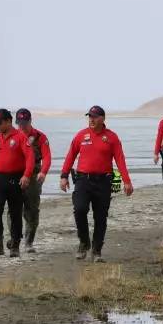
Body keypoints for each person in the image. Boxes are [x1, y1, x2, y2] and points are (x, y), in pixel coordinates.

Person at [60, 106, 133, 262]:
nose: (91, 120)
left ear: (102, 119)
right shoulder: (81, 135)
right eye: (89, 117)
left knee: (101, 217)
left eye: (94, 117)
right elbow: (71, 155)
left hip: (104, 181)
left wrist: (126, 181)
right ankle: (84, 242)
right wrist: (64, 175)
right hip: (83, 180)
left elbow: (120, 160)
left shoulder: (112, 137)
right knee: (80, 209)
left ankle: (97, 250)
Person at [0, 109, 35, 257]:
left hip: (15, 180)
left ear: (8, 121)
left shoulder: (20, 137)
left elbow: (30, 158)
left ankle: (15, 245)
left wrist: (26, 176)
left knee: (15, 213)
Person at [7, 108, 51, 254]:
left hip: (33, 176)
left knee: (31, 209)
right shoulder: (12, 136)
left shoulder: (40, 137)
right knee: (13, 209)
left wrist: (43, 172)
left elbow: (47, 157)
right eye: (19, 123)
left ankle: (29, 242)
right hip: (15, 174)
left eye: (24, 123)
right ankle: (14, 238)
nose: (22, 126)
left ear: (30, 121)